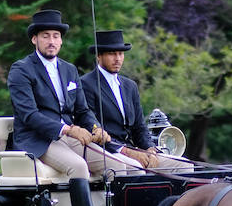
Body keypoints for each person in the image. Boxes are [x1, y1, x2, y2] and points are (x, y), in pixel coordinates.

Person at [6, 9, 141, 206]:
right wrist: (68, 130)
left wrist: (95, 127)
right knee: (78, 167)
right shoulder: (21, 70)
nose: (52, 41)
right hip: (38, 139)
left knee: (125, 168)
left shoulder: (69, 70)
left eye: (56, 36)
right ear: (34, 39)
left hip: (70, 137)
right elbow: (29, 115)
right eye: (46, 36)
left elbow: (82, 111)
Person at [79, 29, 189, 172]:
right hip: (107, 150)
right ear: (98, 56)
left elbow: (139, 127)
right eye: (112, 54)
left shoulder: (130, 86)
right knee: (136, 169)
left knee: (184, 166)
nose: (118, 58)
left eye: (120, 53)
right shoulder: (86, 84)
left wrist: (150, 149)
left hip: (133, 148)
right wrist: (128, 152)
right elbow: (90, 126)